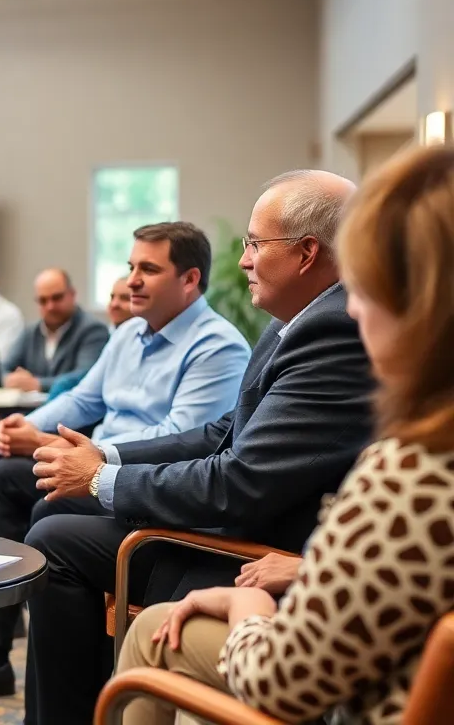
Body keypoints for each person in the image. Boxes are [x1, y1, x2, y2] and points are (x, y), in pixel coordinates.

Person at [20, 170, 375, 725]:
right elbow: (225, 432)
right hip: (251, 527)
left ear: (307, 253)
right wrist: (106, 457)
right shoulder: (299, 319)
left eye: (256, 244)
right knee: (52, 514)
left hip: (255, 550)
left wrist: (98, 478)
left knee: (53, 536)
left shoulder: (333, 332)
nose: (243, 261)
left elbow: (241, 483)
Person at [116, 146, 454, 725]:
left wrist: (246, 605)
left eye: (366, 290)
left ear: (418, 307)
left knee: (153, 631)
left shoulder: (410, 475)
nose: (352, 313)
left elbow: (283, 683)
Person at [0, 223, 251, 701]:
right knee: (2, 476)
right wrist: (27, 423)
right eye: (130, 268)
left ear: (189, 280)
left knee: (48, 508)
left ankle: (64, 682)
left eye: (148, 269)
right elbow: (83, 399)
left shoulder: (218, 345)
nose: (132, 282)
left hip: (139, 480)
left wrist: (93, 453)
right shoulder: (128, 335)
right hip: (94, 459)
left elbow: (182, 438)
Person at [0, 268, 109, 394]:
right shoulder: (30, 332)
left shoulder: (93, 330)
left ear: (72, 294)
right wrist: (11, 380)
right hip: (27, 409)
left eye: (57, 298)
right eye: (43, 301)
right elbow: (3, 368)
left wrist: (38, 384)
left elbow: (85, 376)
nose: (50, 306)